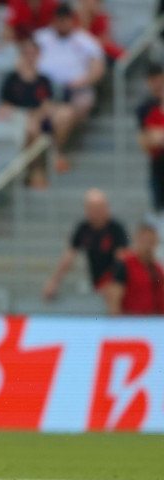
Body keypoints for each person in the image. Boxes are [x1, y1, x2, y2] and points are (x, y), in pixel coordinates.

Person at [34, 4, 105, 173]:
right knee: (38, 118)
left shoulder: (84, 40)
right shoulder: (41, 37)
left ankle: (50, 152)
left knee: (69, 112)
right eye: (59, 20)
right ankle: (53, 153)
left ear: (72, 21)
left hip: (75, 89)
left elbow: (98, 68)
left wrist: (82, 81)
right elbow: (26, 60)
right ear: (54, 21)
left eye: (66, 20)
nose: (63, 24)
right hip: (45, 90)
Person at [43, 188, 128, 304]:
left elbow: (122, 259)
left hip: (116, 282)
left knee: (113, 294)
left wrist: (111, 282)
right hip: (97, 281)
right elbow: (69, 257)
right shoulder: (83, 229)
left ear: (106, 208)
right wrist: (54, 281)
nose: (95, 213)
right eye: (91, 209)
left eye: (98, 208)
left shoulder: (116, 228)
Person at [0, 39, 54, 188]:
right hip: (16, 118)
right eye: (26, 53)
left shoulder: (43, 80)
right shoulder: (12, 79)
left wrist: (35, 115)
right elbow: (5, 105)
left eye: (33, 53)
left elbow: (47, 104)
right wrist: (24, 115)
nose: (30, 57)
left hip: (37, 119)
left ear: (38, 55)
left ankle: (35, 169)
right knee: (30, 127)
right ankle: (35, 171)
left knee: (34, 126)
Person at [107, 224, 164, 315]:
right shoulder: (125, 264)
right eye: (145, 241)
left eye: (151, 241)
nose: (148, 245)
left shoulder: (158, 268)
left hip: (156, 320)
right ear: (137, 240)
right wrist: (116, 322)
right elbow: (114, 296)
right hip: (134, 321)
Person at [137, 82, 164, 214]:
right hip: (158, 165)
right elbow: (145, 141)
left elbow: (156, 137)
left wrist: (158, 135)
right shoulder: (153, 113)